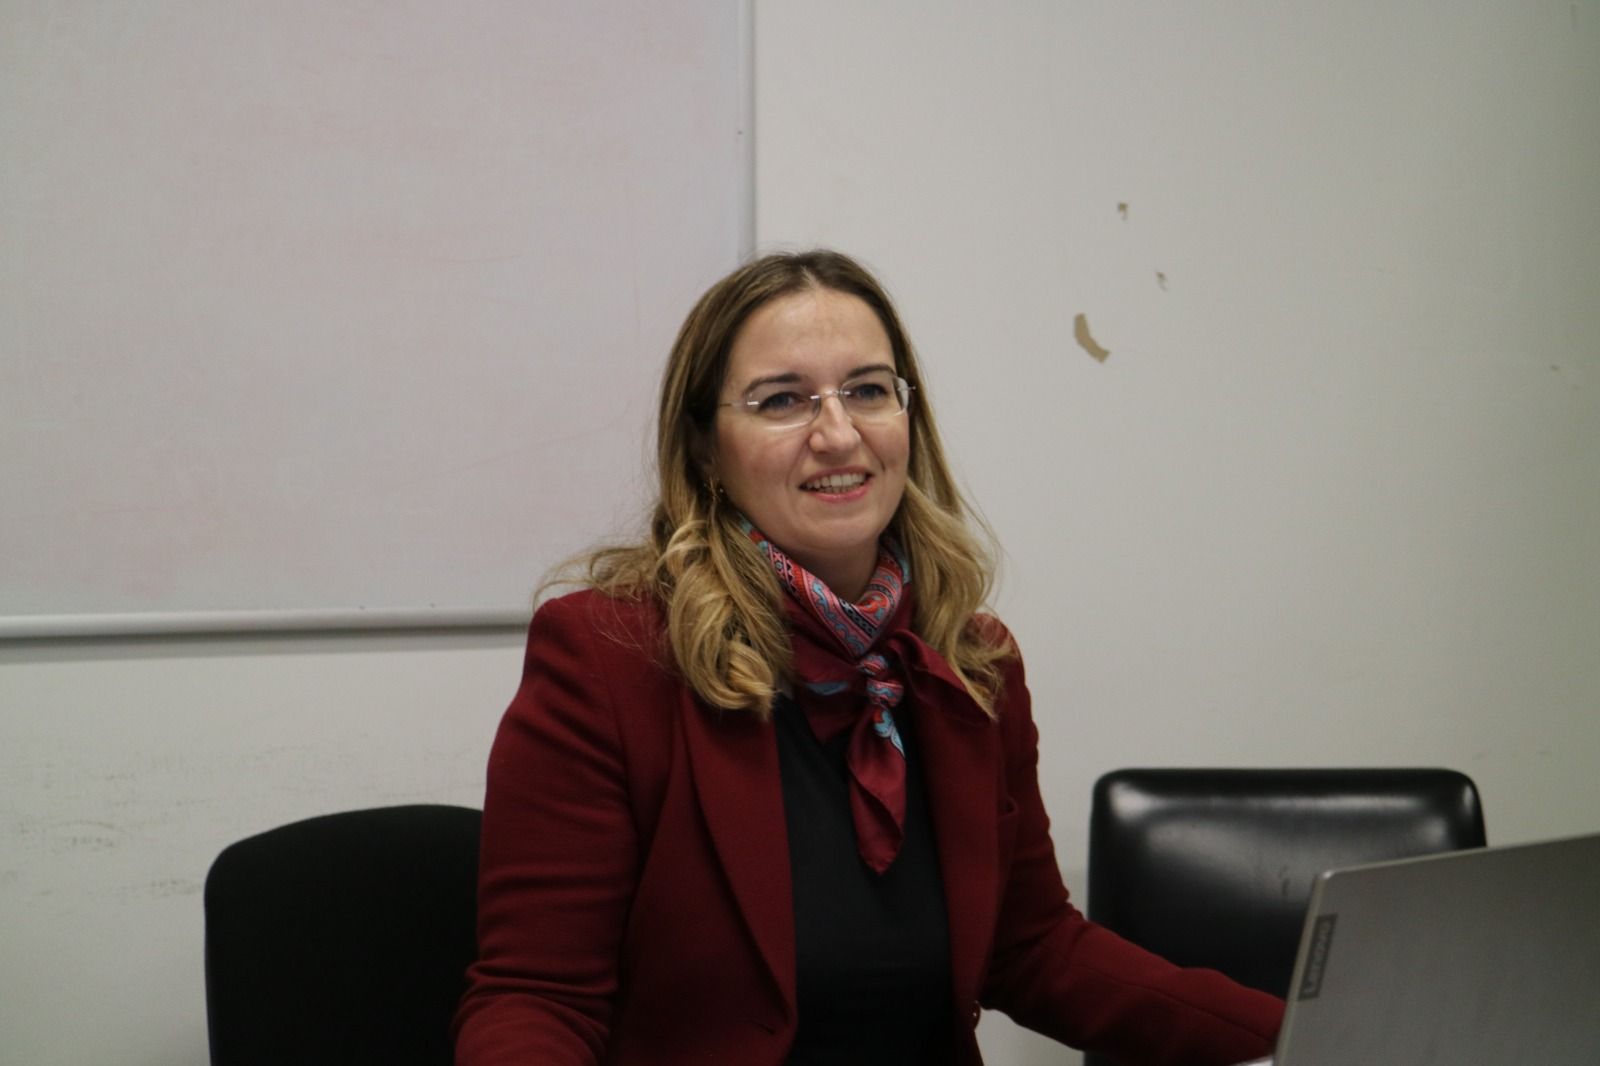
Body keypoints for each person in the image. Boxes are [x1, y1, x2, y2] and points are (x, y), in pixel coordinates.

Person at [453, 250, 1283, 1065]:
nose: (839, 434)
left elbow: (1032, 947)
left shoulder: (970, 662)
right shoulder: (610, 658)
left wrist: (1307, 1038)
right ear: (705, 447)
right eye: (783, 400)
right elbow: (539, 998)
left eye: (868, 391)